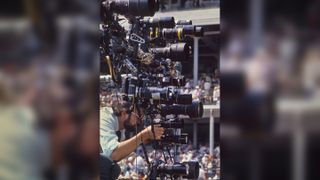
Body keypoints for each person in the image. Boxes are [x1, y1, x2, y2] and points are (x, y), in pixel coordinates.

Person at [100, 101, 164, 180]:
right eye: (137, 117)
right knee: (106, 165)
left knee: (114, 169)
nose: (138, 122)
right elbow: (113, 154)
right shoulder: (104, 118)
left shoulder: (120, 129)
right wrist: (143, 135)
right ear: (124, 113)